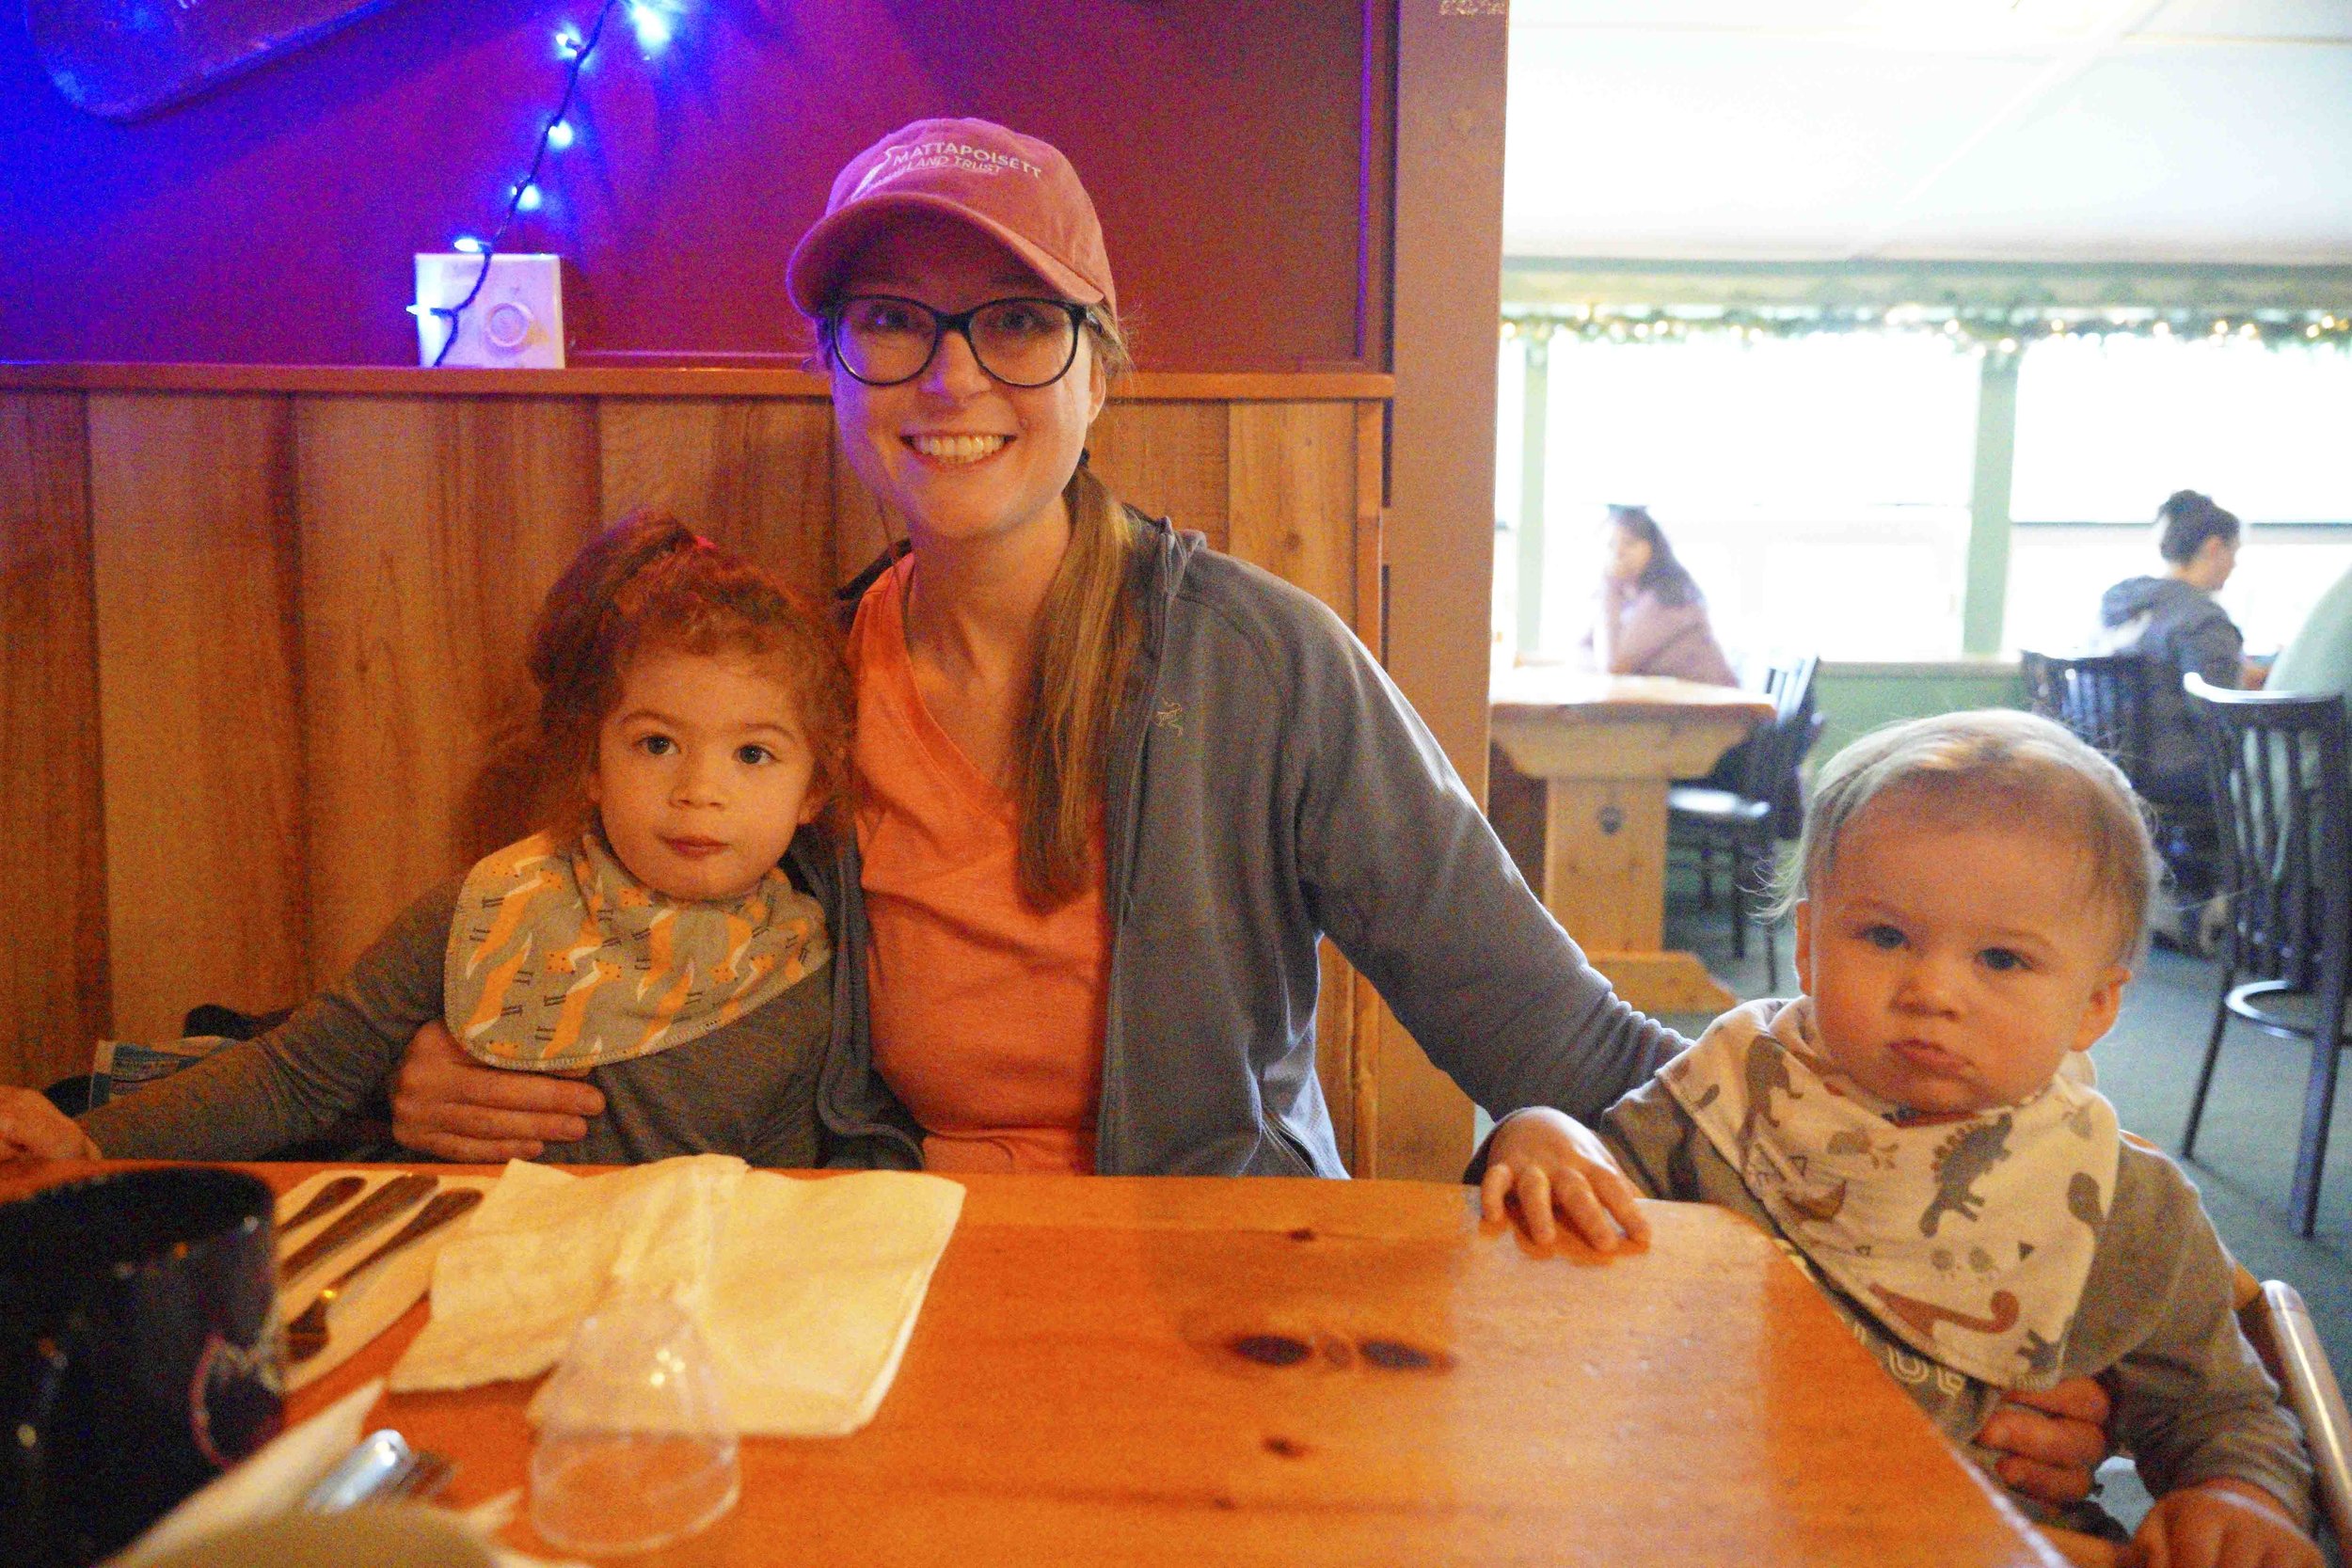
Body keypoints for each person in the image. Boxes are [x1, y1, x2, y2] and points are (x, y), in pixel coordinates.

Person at [378, 117, 2113, 1498]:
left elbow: (1569, 1045)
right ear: (835, 365)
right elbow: (646, 961)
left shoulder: (1262, 662)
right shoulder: (799, 694)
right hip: (879, 1280)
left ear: (1098, 368)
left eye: (1015, 321)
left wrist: (1943, 1297)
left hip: (1225, 1298)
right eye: (891, 320)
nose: (948, 375)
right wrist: (463, 1068)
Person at [1485, 710, 2318, 1564]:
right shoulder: (1727, 1089)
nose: (1932, 990)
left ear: (2096, 1004)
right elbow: (1585, 1216)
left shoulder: (2115, 1200)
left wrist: (2237, 1493)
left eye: (2001, 959)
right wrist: (1542, 1131)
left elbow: (2220, 1410)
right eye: (1885, 936)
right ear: (1808, 944)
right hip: (1712, 1521)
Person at [0, 514, 856, 1166]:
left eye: (752, 754)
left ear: (813, 788)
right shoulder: (489, 908)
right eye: (657, 743)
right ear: (591, 763)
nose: (700, 789)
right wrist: (90, 1141)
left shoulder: (809, 973)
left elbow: (789, 1196)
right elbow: (293, 1075)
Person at [2093, 490, 2250, 816]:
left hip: (2107, 760)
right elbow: (2218, 715)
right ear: (2214, 548)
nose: (2235, 564)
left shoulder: (2121, 603)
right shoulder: (2202, 619)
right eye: (2234, 552)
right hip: (2176, 771)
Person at [1582, 504, 1738, 687]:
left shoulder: (1669, 596)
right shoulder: (1629, 598)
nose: (1618, 553)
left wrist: (1609, 587)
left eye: (1629, 543)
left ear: (1653, 547)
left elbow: (1613, 666)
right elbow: (1583, 647)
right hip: (1677, 700)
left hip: (1716, 701)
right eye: (1611, 545)